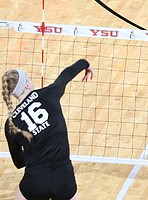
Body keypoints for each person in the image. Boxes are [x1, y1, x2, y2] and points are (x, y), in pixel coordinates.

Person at [2, 59, 93, 200]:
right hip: (64, 178)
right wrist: (86, 64)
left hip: (36, 181)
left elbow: (19, 162)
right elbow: (67, 74)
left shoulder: (10, 124)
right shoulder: (49, 93)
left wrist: (35, 153)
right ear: (27, 84)